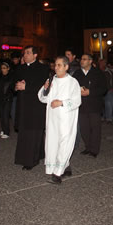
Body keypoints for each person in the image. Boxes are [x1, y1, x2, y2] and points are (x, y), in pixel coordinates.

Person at [38, 56, 81, 184]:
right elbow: (43, 99)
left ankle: (57, 174)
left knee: (64, 143)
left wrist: (61, 103)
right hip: (52, 119)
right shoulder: (52, 80)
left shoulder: (73, 82)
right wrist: (45, 89)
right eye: (55, 65)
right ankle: (65, 166)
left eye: (59, 65)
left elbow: (77, 101)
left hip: (66, 120)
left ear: (66, 67)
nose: (56, 68)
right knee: (52, 143)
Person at [13, 46, 49, 170]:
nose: (25, 55)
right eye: (24, 53)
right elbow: (14, 82)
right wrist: (16, 87)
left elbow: (43, 86)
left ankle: (30, 161)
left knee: (34, 133)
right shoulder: (20, 68)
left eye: (28, 53)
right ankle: (36, 155)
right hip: (23, 105)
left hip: (35, 106)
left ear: (35, 55)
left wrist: (26, 87)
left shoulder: (43, 68)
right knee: (25, 132)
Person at [73, 54, 107, 158]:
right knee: (84, 128)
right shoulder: (77, 73)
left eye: (84, 59)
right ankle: (88, 147)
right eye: (81, 59)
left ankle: (94, 149)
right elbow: (71, 86)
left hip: (94, 105)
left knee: (95, 128)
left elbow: (104, 88)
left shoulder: (98, 73)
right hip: (81, 105)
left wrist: (90, 92)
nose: (81, 61)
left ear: (90, 61)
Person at [0, 62, 14, 139]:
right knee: (2, 116)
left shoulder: (11, 77)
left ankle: (7, 132)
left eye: (4, 68)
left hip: (7, 99)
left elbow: (12, 89)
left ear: (8, 68)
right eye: (2, 68)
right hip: (0, 99)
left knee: (5, 116)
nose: (3, 70)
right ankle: (3, 129)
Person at [98, 58, 113, 124]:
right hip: (99, 90)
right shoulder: (96, 71)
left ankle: (109, 118)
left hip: (108, 90)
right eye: (102, 62)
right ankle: (102, 116)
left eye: (105, 62)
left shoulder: (110, 72)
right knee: (101, 104)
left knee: (109, 103)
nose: (103, 64)